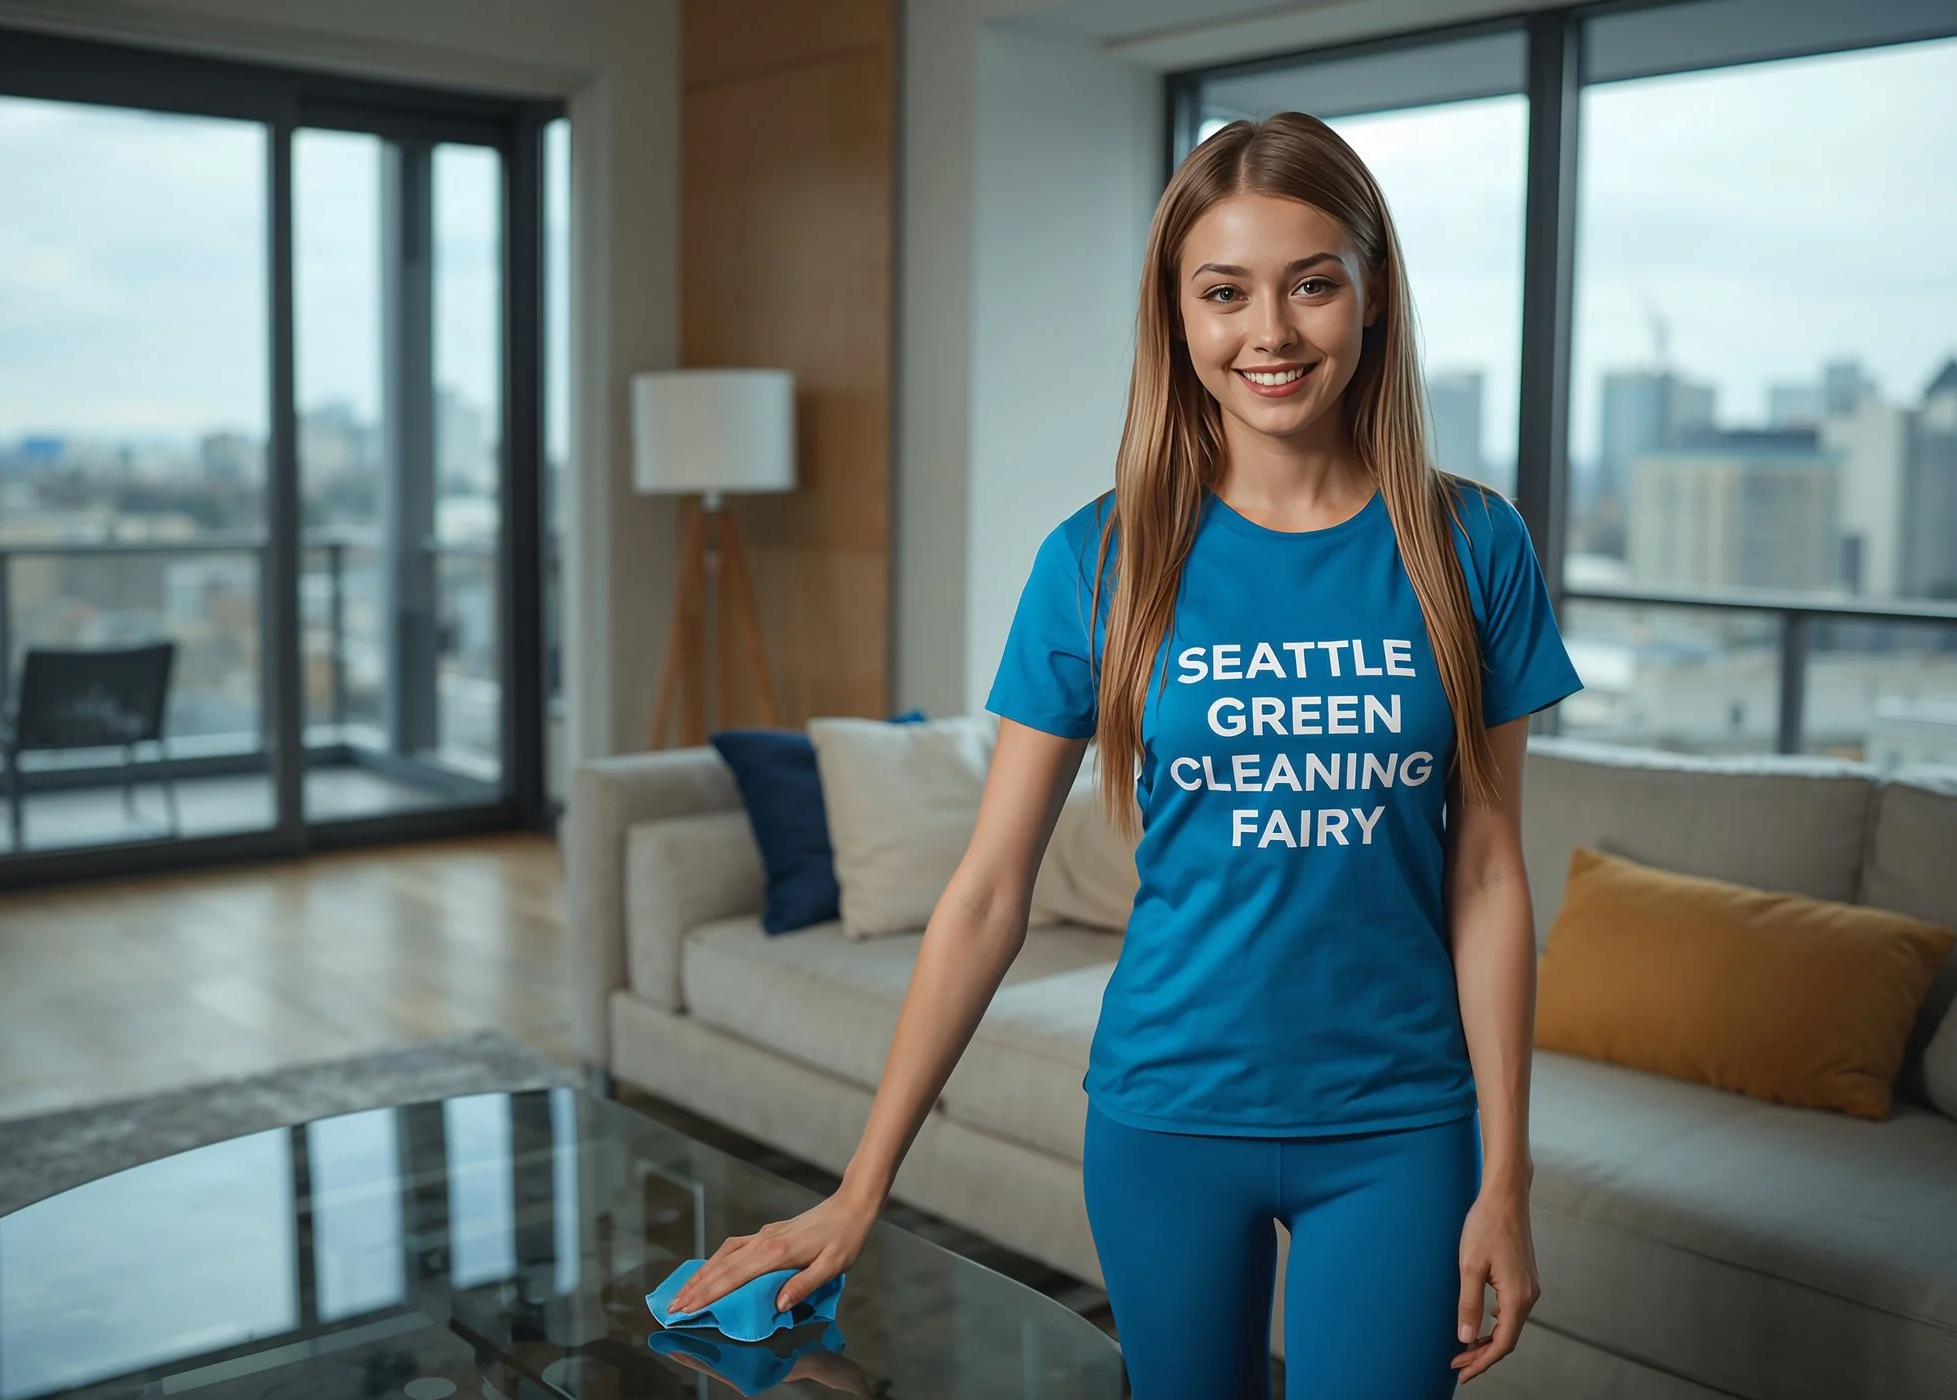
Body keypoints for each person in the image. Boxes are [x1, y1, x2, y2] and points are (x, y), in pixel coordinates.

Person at [658, 111, 1585, 1397]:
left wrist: (1507, 1172)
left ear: (1372, 299)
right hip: (1163, 1112)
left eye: (1312, 283)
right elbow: (986, 892)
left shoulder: (1470, 545)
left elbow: (1486, 876)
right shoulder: (1096, 559)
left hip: (1397, 1123)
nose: (1270, 331)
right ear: (1178, 315)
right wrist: (858, 1187)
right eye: (1225, 292)